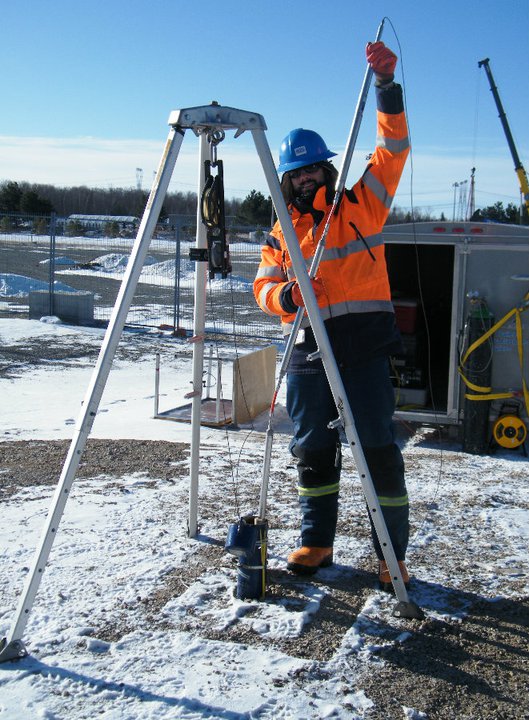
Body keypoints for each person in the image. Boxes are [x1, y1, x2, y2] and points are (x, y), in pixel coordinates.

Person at [253, 41, 410, 590]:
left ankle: (392, 555)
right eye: (293, 175)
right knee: (312, 447)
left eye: (309, 171)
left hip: (363, 347)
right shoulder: (282, 233)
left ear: (326, 167)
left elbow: (392, 148)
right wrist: (286, 299)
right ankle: (317, 541)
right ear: (285, 180)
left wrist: (387, 86)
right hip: (306, 353)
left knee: (375, 447)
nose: (303, 181)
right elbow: (263, 287)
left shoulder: (363, 204)